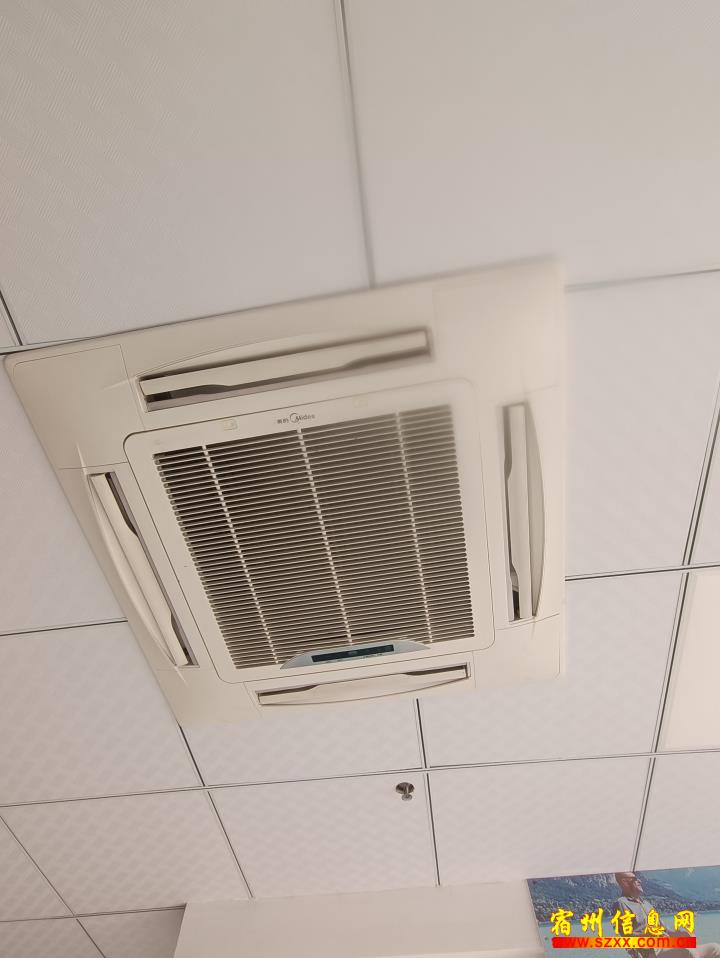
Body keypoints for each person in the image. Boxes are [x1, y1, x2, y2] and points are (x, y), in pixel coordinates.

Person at [613, 872, 720, 958]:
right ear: (624, 882)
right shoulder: (621, 904)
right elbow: (627, 938)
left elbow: (664, 929)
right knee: (687, 952)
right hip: (653, 951)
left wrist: (681, 932)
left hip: (670, 944)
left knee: (715, 948)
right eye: (635, 879)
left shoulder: (646, 904)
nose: (639, 881)